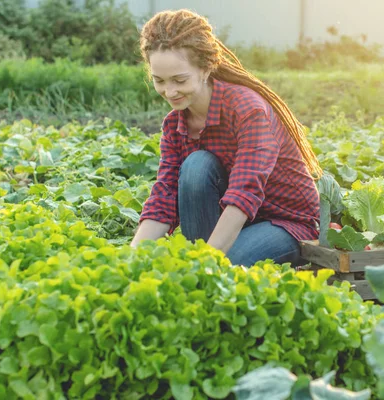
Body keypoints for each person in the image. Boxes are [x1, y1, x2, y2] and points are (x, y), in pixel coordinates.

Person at [130, 9, 322, 267]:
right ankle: (205, 260)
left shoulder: (247, 110)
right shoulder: (175, 125)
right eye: (159, 81)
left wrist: (206, 262)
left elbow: (244, 193)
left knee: (224, 264)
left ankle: (207, 262)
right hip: (227, 222)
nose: (169, 91)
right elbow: (164, 196)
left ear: (206, 68)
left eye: (179, 79)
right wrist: (132, 256)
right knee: (196, 165)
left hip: (284, 223)